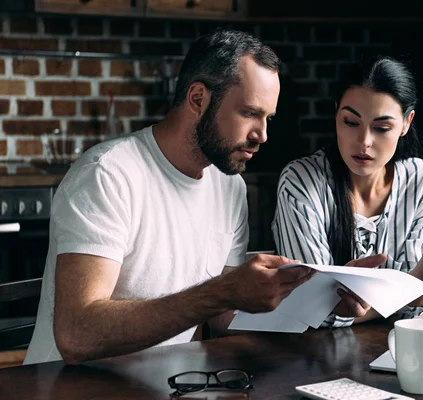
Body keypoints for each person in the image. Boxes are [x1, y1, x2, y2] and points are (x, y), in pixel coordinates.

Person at [24, 28, 319, 365]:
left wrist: (318, 307)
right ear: (198, 98)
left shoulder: (230, 187)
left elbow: (223, 319)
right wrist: (221, 292)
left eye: (268, 118)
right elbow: (77, 336)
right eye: (250, 113)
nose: (262, 135)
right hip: (66, 388)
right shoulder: (107, 174)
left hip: (158, 384)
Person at [271, 56, 423, 328]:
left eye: (381, 128)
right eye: (350, 122)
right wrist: (400, 302)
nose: (364, 142)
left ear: (406, 123)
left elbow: (421, 298)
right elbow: (314, 313)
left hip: (394, 348)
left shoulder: (422, 179)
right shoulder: (301, 181)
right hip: (312, 355)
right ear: (336, 114)